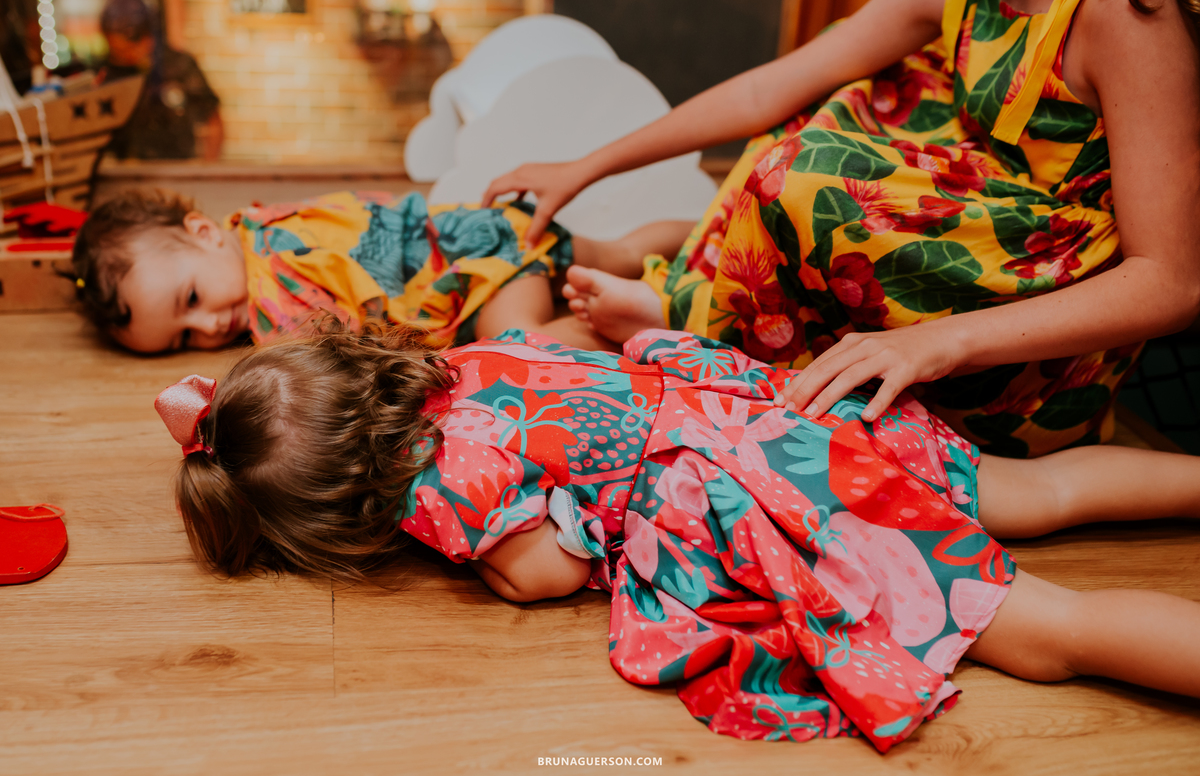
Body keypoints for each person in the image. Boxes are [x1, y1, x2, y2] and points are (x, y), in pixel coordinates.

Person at [156, 323, 1200, 751]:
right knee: (1033, 493)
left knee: (1042, 631)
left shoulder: (443, 492)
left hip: (777, 495)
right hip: (776, 409)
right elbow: (569, 349)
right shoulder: (464, 359)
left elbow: (543, 575)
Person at [481, 0, 1200, 458]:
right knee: (840, 102)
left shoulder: (1132, 9)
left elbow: (1170, 282)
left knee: (812, 173)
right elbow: (769, 89)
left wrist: (937, 345)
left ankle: (698, 317)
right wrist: (582, 166)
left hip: (1030, 351)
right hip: (978, 243)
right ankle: (690, 299)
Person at [70, 188, 691, 353]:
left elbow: (329, 354)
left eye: (191, 299)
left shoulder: (273, 302)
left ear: (203, 233)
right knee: (616, 249)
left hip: (470, 282)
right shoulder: (257, 221)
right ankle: (709, 231)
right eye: (183, 337)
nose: (208, 326)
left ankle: (653, 320)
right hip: (483, 226)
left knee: (524, 347)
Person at [98, 0, 223, 160]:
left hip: (177, 171)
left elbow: (213, 120)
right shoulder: (105, 72)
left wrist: (207, 168)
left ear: (148, 38)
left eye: (125, 50)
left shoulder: (180, 66)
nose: (121, 57)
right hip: (122, 174)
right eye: (115, 51)